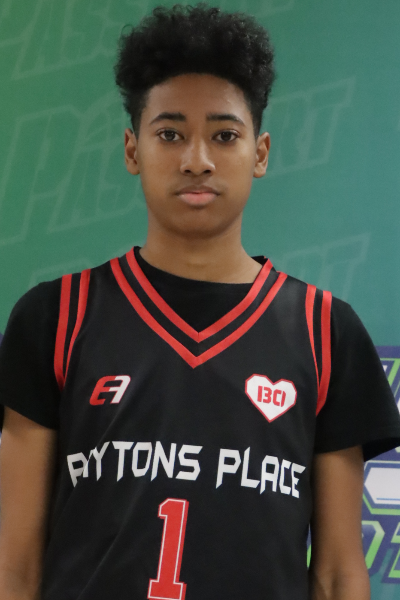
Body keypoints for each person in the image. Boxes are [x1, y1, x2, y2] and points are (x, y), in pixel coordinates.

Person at [0, 4, 399, 599]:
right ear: (132, 150)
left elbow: (340, 573)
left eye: (224, 135)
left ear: (260, 153)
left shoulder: (325, 331)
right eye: (170, 134)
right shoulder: (56, 318)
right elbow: (15, 565)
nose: (197, 160)